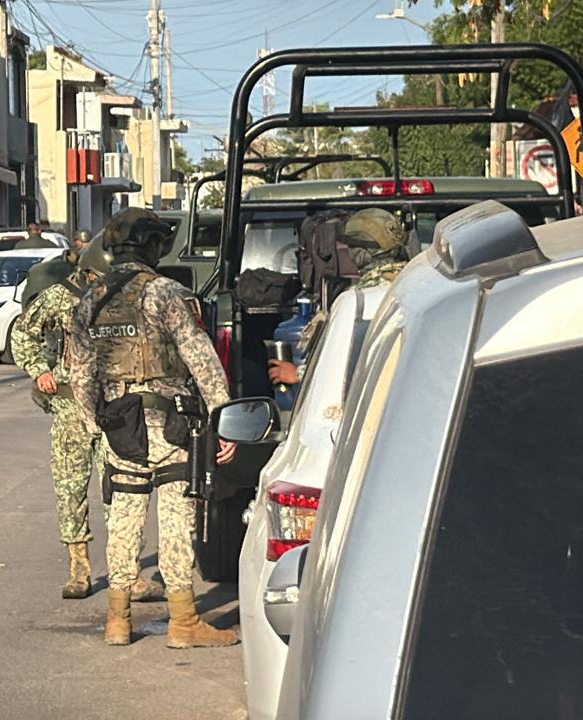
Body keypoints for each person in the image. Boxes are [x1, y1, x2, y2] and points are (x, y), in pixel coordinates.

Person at [69, 207, 238, 648]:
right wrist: (223, 420)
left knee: (123, 520)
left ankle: (118, 620)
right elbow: (201, 359)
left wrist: (96, 423)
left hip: (119, 426)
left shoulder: (90, 300)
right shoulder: (167, 293)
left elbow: (80, 375)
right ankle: (183, 622)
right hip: (169, 425)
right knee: (175, 518)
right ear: (151, 246)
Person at [10, 245, 108, 599]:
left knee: (121, 489)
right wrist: (39, 370)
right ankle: (79, 568)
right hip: (69, 407)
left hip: (113, 406)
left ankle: (126, 569)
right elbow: (22, 334)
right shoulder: (59, 296)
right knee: (71, 488)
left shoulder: (119, 294)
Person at [267, 208, 409, 387]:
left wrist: (298, 374)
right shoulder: (423, 288)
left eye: (350, 248)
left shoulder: (354, 303)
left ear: (360, 254)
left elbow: (337, 366)